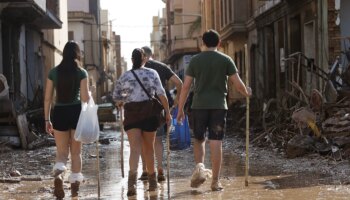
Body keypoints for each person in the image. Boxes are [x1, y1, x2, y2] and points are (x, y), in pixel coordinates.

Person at [176, 29, 252, 191]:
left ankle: (200, 168)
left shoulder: (195, 61)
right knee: (216, 142)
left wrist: (180, 109)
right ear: (219, 43)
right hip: (218, 107)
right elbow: (237, 84)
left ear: (202, 43)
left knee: (199, 139)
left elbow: (186, 87)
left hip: (199, 107)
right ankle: (215, 182)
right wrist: (247, 93)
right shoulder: (226, 60)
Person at [113, 48, 171, 196]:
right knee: (149, 149)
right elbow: (161, 94)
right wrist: (168, 112)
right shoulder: (152, 73)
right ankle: (152, 184)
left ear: (132, 60)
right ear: (144, 59)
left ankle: (131, 185)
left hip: (132, 114)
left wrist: (123, 102)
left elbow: (117, 97)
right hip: (150, 114)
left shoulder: (124, 76)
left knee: (134, 149)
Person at [44, 41, 90, 199]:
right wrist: (90, 93)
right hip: (76, 112)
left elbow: (47, 99)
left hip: (60, 112)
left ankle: (58, 177)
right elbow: (84, 98)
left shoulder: (53, 72)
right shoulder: (82, 72)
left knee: (62, 153)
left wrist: (46, 120)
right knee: (76, 153)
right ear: (77, 54)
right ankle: (75, 191)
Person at [138, 46, 183, 182]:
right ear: (152, 54)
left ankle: (145, 170)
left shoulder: (137, 68)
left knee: (143, 141)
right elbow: (179, 83)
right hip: (159, 108)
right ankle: (160, 169)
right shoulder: (162, 67)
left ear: (142, 55)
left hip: (140, 109)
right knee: (157, 140)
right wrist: (177, 99)